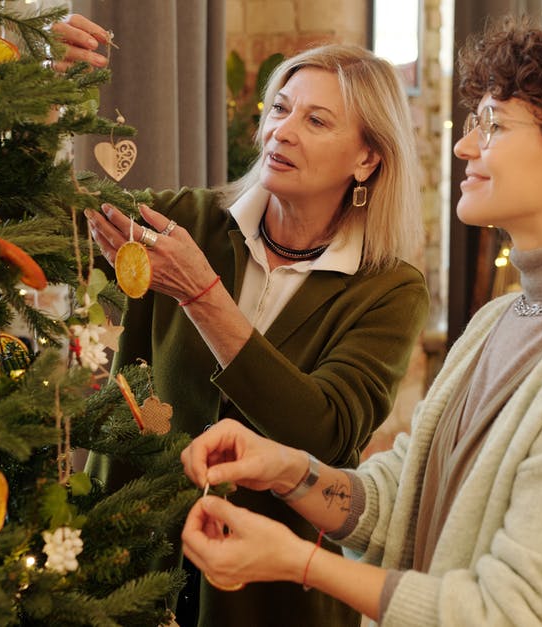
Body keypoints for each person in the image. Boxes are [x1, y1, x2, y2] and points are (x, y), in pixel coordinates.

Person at [179, 19, 542, 626]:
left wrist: (298, 562)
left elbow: (514, 613)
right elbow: (406, 499)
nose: (464, 147)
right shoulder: (503, 318)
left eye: (495, 126)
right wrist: (290, 471)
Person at [73, 20, 431, 627]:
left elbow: (322, 432)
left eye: (316, 121)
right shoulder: (188, 220)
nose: (280, 132)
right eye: (280, 109)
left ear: (368, 158)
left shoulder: (389, 288)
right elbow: (46, 217)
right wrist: (39, 87)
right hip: (125, 561)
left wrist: (203, 295)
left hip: (270, 595)